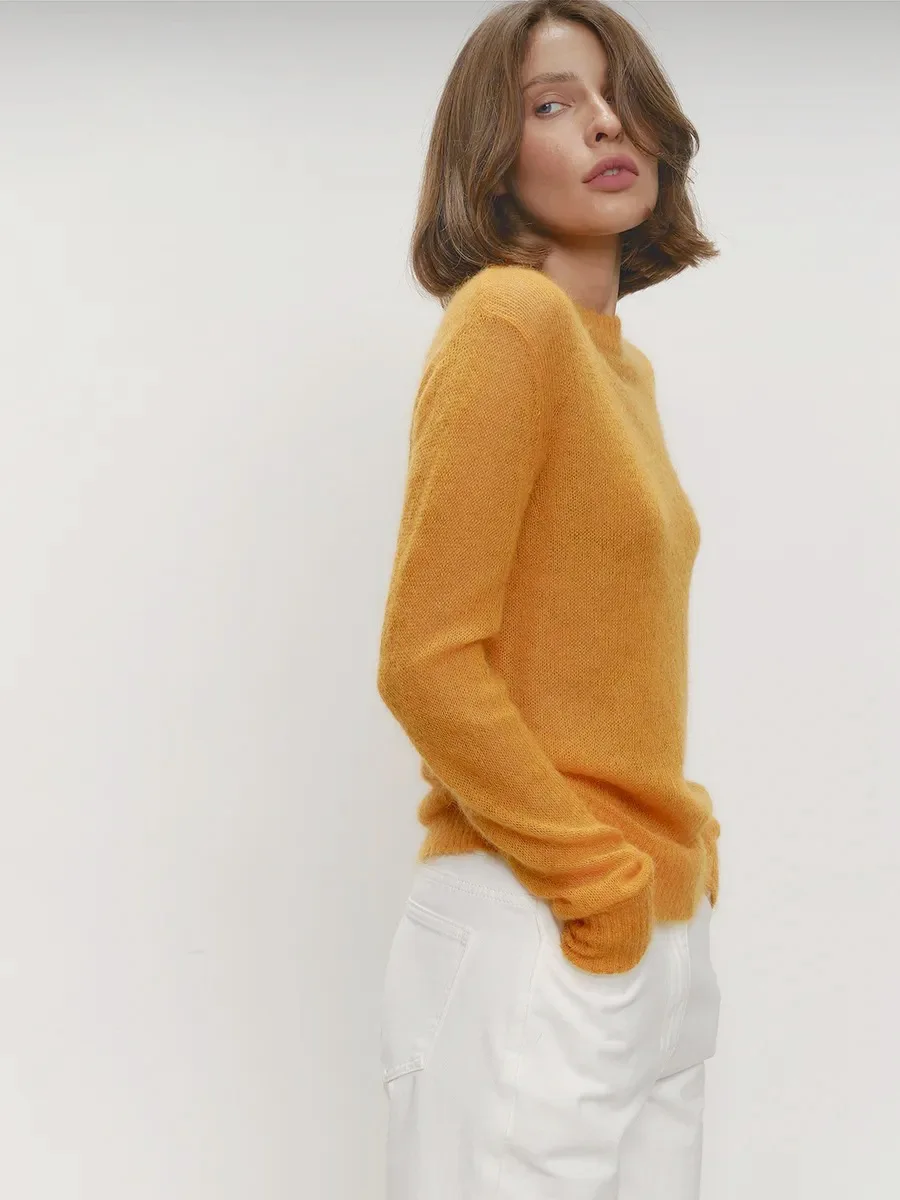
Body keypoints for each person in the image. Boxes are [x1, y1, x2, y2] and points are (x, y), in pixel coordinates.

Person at [375, 1, 722, 1196]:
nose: (605, 123)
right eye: (553, 103)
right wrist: (591, 881)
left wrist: (674, 868)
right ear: (493, 152)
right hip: (542, 922)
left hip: (651, 935)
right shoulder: (508, 319)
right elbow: (425, 660)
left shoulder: (617, 364)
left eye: (619, 95)